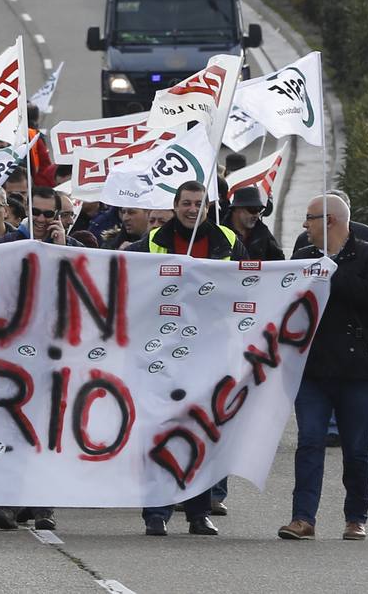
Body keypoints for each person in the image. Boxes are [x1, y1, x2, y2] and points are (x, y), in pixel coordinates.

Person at [280, 194, 368, 543]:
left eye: (310, 218)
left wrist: (333, 273)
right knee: (309, 442)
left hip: (356, 370)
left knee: (356, 449)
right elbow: (284, 299)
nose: (304, 225)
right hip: (312, 369)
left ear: (329, 221)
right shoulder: (303, 256)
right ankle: (302, 518)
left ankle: (356, 517)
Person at [140, 181, 246, 536]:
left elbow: (251, 281)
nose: (191, 209)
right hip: (164, 352)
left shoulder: (228, 240)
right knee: (161, 432)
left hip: (210, 352)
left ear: (208, 207)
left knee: (202, 432)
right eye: (186, 203)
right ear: (175, 206)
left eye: (198, 203)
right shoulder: (153, 242)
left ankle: (198, 512)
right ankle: (156, 512)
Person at [227, 186, 286, 260]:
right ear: (237, 209)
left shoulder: (262, 232)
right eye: (253, 209)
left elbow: (279, 261)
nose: (257, 215)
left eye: (259, 210)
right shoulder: (221, 233)